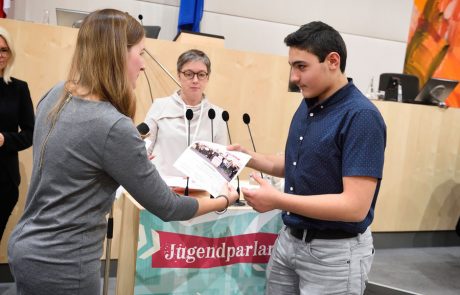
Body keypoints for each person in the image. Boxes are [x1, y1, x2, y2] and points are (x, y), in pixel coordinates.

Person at [7, 9, 238, 295]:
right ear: (118, 54)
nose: (143, 65)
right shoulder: (113, 125)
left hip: (27, 246)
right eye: (140, 53)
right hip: (64, 264)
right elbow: (169, 206)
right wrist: (223, 201)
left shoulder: (57, 93)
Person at [230, 21, 386, 294]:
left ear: (332, 61)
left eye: (301, 66)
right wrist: (248, 157)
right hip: (289, 242)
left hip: (334, 254)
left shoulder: (361, 117)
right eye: (292, 67)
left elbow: (354, 206)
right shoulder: (308, 106)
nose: (293, 77)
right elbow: (293, 165)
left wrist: (277, 200)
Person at [144, 49, 227, 178]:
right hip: (160, 187)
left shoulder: (217, 115)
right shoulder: (160, 106)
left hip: (199, 190)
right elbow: (144, 150)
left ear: (207, 77)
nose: (195, 80)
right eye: (189, 74)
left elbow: (220, 163)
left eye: (201, 74)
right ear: (179, 75)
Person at [0, 27, 35, 242]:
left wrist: (5, 139)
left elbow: (31, 133)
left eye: (4, 50)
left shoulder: (19, 89)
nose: (0, 55)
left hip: (4, 179)